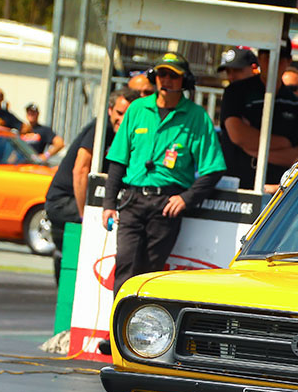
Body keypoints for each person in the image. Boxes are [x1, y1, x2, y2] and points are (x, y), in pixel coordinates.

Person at [103, 52, 226, 298]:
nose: (166, 81)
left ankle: (143, 324)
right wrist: (108, 203)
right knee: (125, 266)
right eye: (161, 74)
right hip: (132, 200)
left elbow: (214, 169)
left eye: (173, 76)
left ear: (184, 81)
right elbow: (117, 160)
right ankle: (118, 323)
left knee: (150, 273)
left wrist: (186, 199)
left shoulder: (197, 116)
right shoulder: (137, 108)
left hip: (166, 205)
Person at [44, 88, 137, 282]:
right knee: (78, 257)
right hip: (65, 200)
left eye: (127, 115)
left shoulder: (127, 133)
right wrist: (84, 216)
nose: (122, 119)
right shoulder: (100, 128)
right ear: (109, 110)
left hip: (75, 201)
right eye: (119, 113)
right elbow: (80, 170)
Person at [219, 37, 298, 189]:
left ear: (289, 61)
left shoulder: (296, 106)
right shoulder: (236, 91)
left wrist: (257, 152)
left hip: (274, 190)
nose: (273, 62)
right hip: (234, 187)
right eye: (267, 56)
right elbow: (237, 135)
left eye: (280, 57)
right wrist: (283, 143)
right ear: (260, 58)